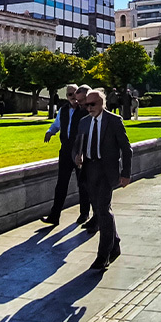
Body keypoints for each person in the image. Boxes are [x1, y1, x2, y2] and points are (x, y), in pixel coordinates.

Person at [73, 88, 132, 271]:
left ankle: (103, 256)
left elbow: (126, 149)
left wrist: (126, 174)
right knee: (99, 209)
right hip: (89, 170)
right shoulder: (83, 123)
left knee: (103, 211)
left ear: (102, 104)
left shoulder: (113, 121)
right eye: (86, 105)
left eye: (93, 104)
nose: (89, 108)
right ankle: (114, 243)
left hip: (107, 171)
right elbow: (76, 147)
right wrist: (77, 156)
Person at [41, 85, 92, 226]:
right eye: (70, 94)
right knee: (61, 184)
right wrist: (50, 131)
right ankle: (54, 215)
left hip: (80, 150)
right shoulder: (63, 110)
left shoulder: (85, 111)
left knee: (82, 183)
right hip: (65, 150)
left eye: (75, 94)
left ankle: (84, 213)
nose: (73, 97)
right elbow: (57, 124)